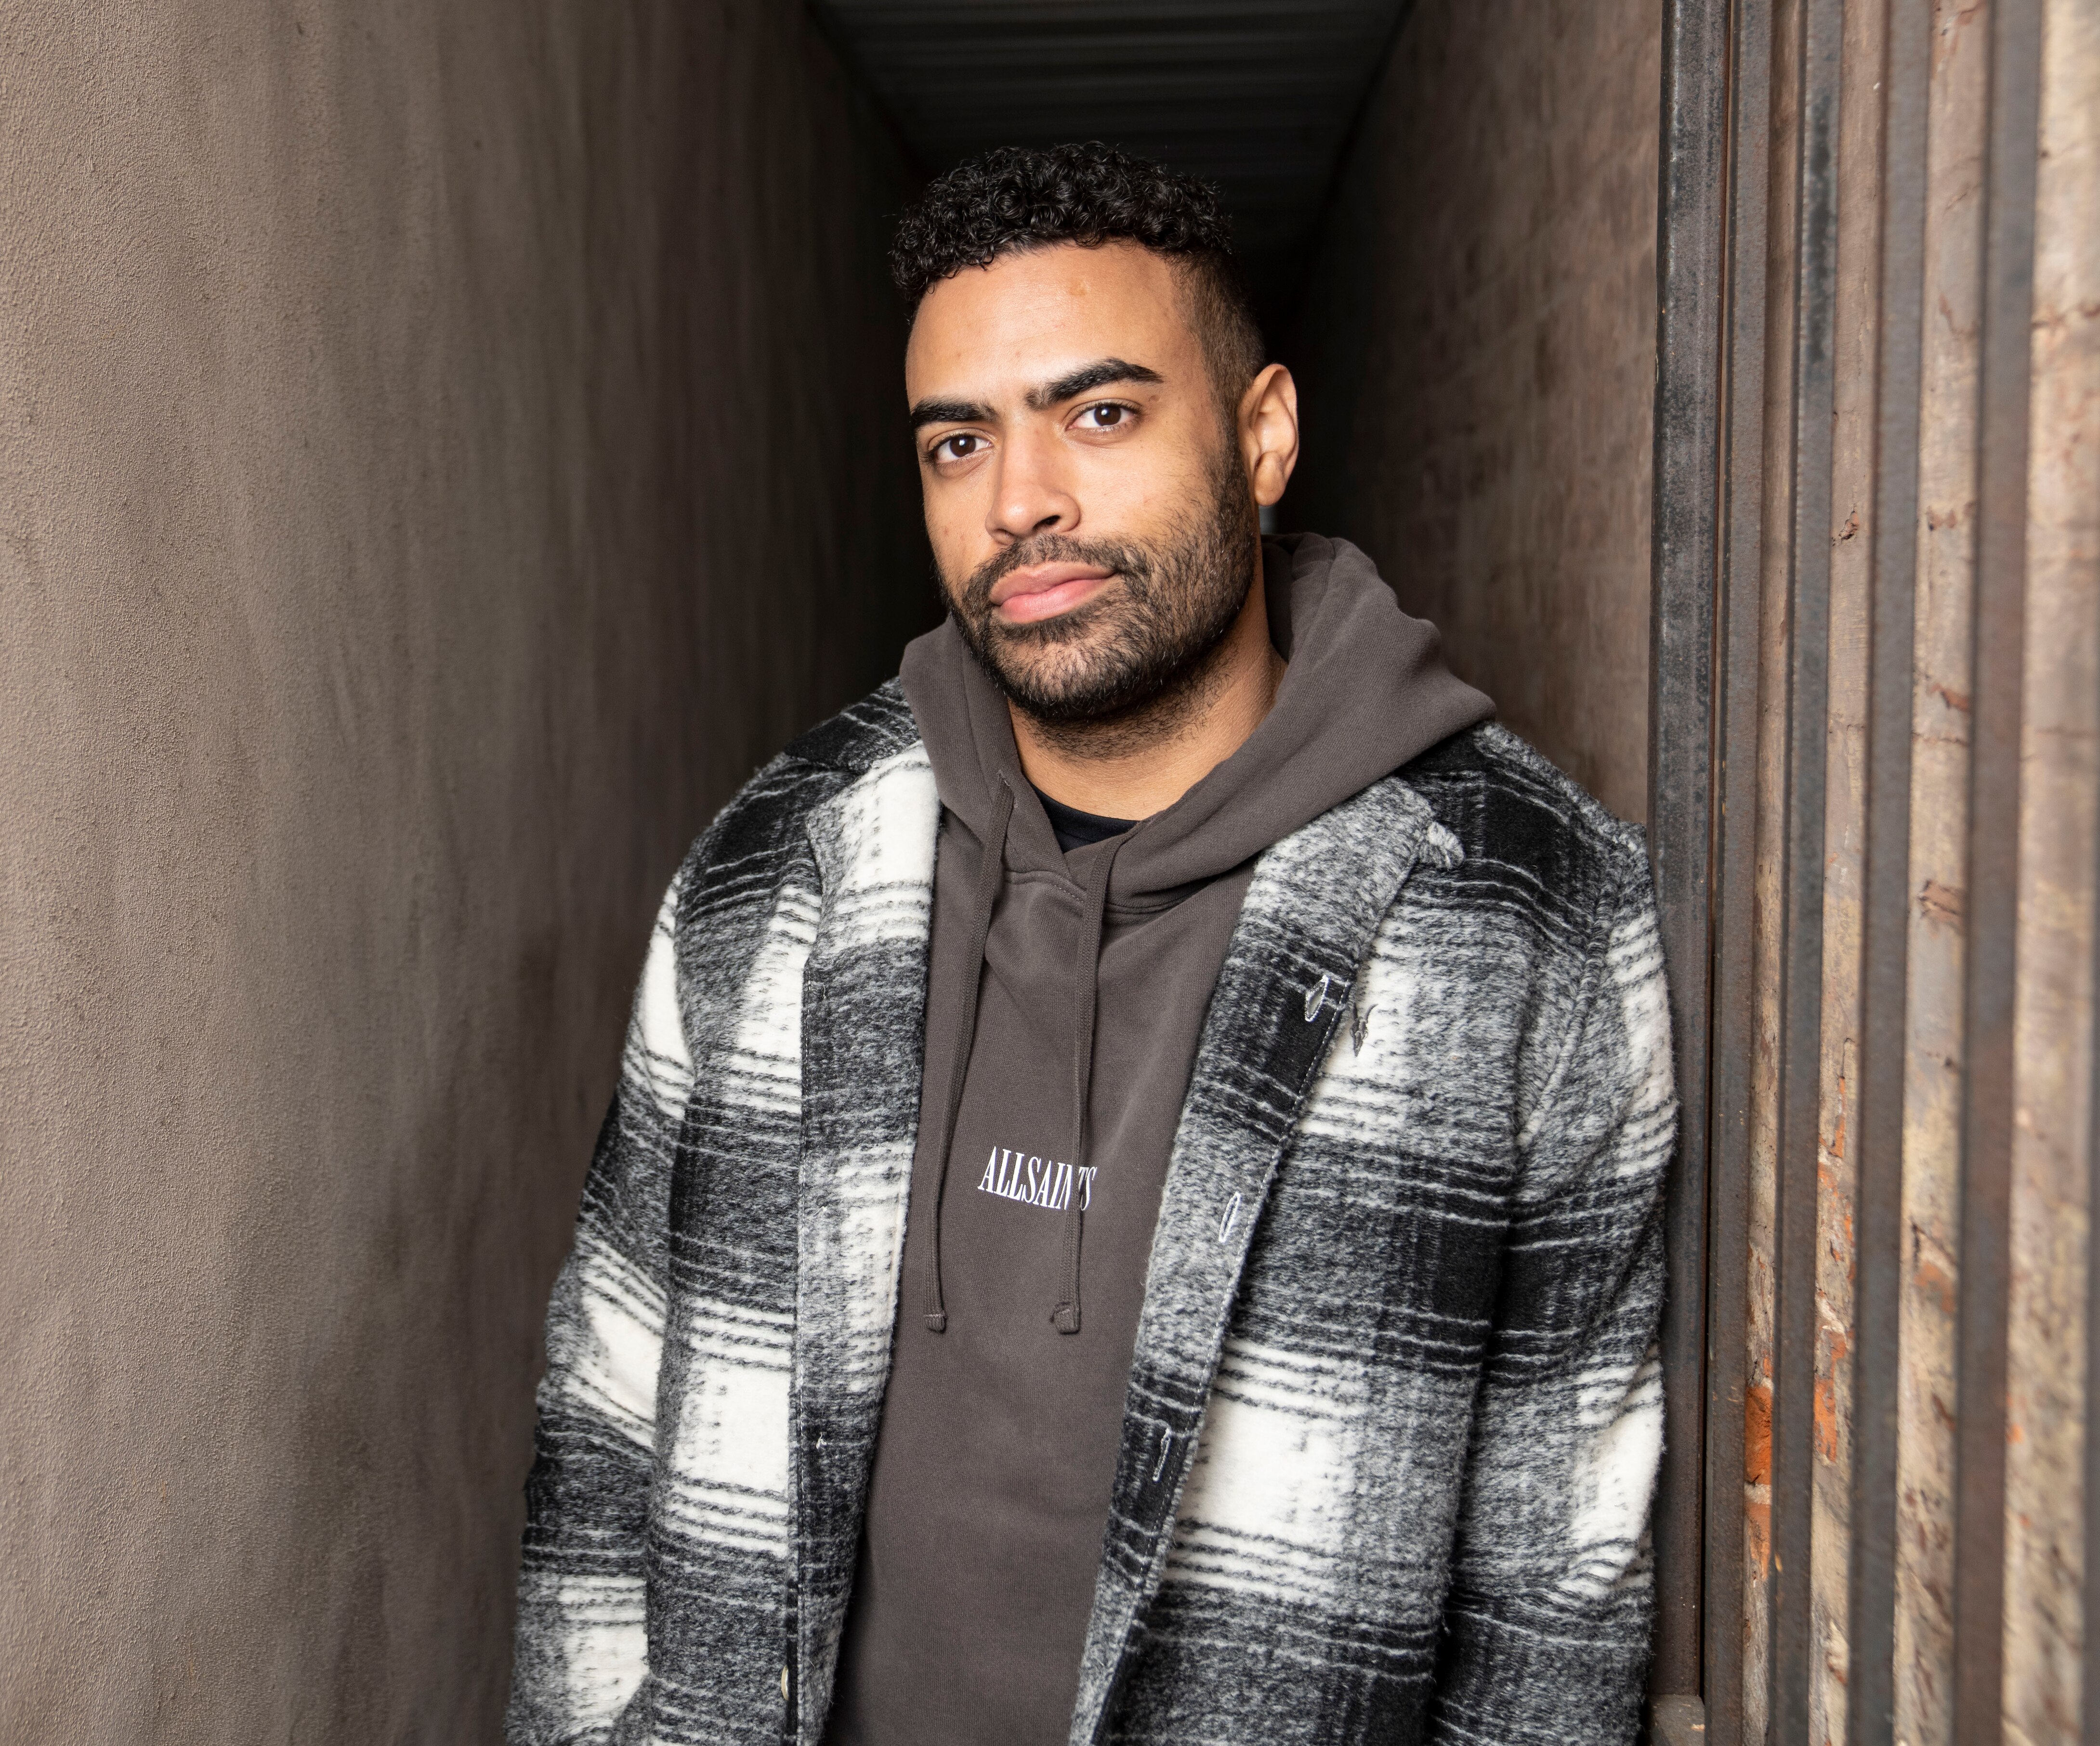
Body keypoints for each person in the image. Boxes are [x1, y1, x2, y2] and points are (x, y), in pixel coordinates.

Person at [508, 143, 1673, 1746]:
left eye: (1101, 412)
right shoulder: (775, 871)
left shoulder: (1524, 911)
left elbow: (1562, 1572)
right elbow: (605, 1404)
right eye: (957, 440)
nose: (1021, 499)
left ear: (1262, 437)